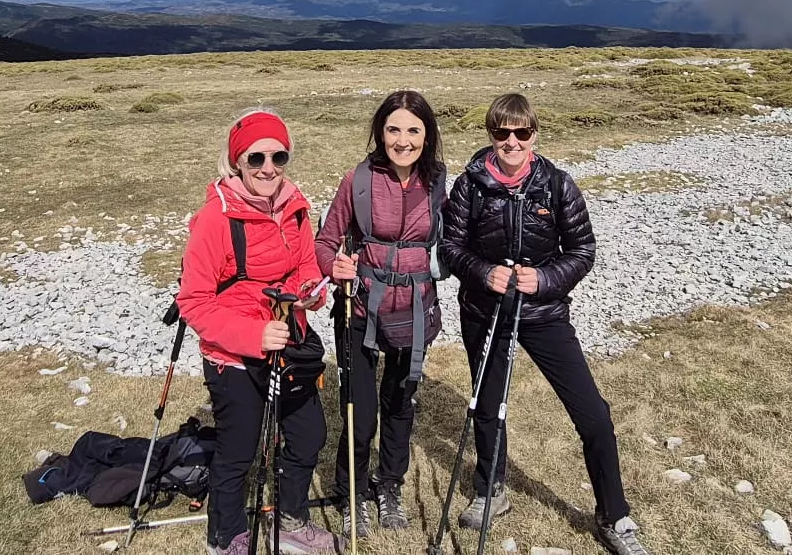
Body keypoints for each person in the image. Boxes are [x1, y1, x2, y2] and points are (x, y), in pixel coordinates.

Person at [441, 93, 653, 555]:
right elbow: (451, 248)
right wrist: (483, 273)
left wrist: (544, 279)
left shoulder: (557, 184)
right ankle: (490, 491)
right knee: (488, 405)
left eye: (522, 132)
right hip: (486, 311)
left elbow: (583, 250)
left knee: (593, 413)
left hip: (544, 313)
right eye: (502, 132)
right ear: (490, 134)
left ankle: (614, 515)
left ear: (534, 134)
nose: (512, 142)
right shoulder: (469, 185)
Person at [174, 108, 340, 555]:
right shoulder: (215, 219)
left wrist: (309, 294)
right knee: (238, 450)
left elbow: (305, 268)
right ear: (237, 162)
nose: (269, 168)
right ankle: (225, 537)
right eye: (256, 158)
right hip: (234, 354)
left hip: (288, 344)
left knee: (308, 436)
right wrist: (253, 336)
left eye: (278, 157)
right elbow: (193, 301)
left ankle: (291, 523)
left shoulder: (295, 207)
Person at [314, 90, 447, 537]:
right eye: (393, 129)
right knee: (361, 413)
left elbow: (458, 240)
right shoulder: (358, 181)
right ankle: (351, 491)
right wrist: (332, 265)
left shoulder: (439, 183)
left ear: (427, 136)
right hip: (359, 311)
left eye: (413, 130)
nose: (402, 140)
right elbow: (325, 242)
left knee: (400, 405)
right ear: (380, 132)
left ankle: (390, 484)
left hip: (414, 312)